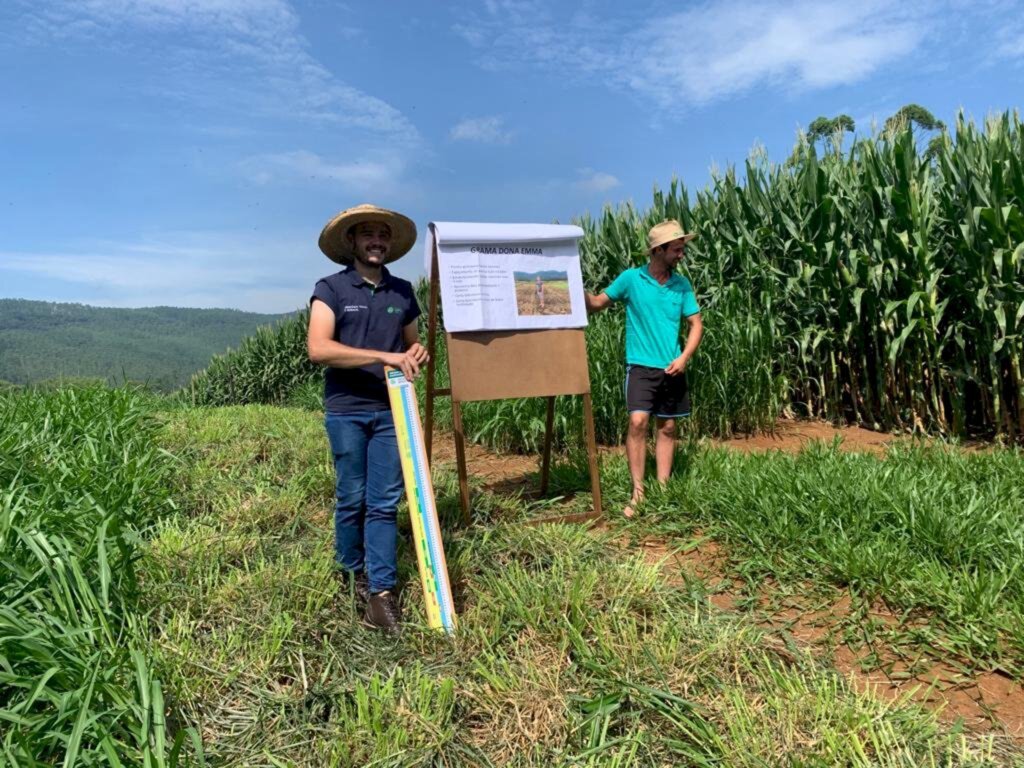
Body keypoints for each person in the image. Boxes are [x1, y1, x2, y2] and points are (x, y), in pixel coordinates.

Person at [306, 203, 428, 633]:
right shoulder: (331, 289)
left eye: (383, 235)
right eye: (368, 235)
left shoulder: (402, 291)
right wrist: (383, 356)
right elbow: (318, 348)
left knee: (383, 501)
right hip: (347, 411)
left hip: (390, 410)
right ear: (353, 243)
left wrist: (415, 354)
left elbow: (412, 345)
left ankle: (381, 592)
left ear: (389, 244)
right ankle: (350, 573)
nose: (377, 241)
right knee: (351, 496)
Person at [584, 220, 703, 518]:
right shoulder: (631, 279)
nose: (681, 255)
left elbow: (696, 325)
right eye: (676, 249)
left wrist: (684, 357)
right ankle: (638, 491)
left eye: (682, 249)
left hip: (672, 366)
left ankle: (662, 489)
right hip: (639, 366)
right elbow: (598, 303)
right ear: (658, 250)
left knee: (668, 426)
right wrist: (571, 286)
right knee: (638, 422)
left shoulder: (681, 285)